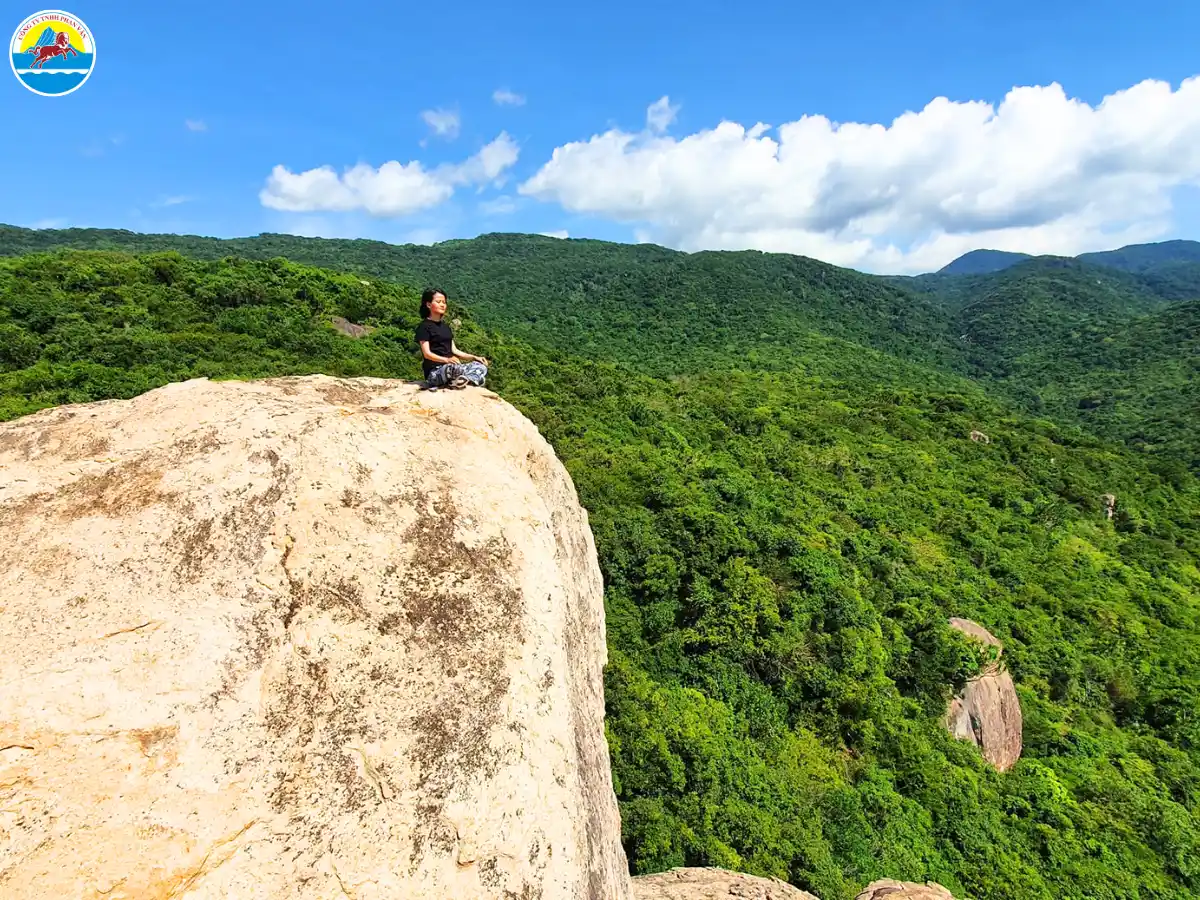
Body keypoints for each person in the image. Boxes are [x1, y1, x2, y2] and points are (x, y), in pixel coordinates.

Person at [414, 288, 489, 389]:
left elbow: (454, 350)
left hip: (453, 367)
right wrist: (446, 360)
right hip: (435, 372)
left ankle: (464, 380)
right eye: (438, 302)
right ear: (428, 305)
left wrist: (475, 357)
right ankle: (471, 380)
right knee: (453, 368)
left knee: (480, 366)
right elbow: (427, 354)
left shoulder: (445, 327)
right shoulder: (424, 327)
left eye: (444, 302)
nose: (442, 305)